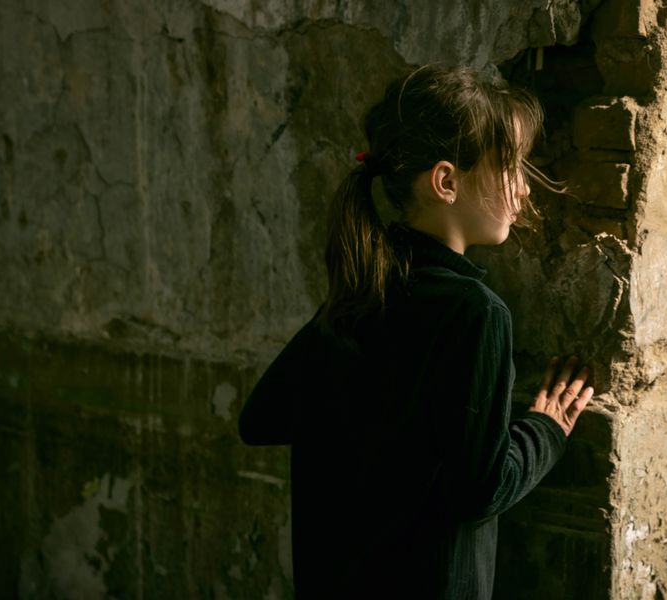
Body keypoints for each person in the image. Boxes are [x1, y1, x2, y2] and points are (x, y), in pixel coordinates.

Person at [237, 64, 594, 599]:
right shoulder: (476, 312)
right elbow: (481, 489)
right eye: (510, 165)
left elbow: (262, 417)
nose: (523, 187)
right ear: (446, 181)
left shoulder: (362, 293)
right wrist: (545, 430)